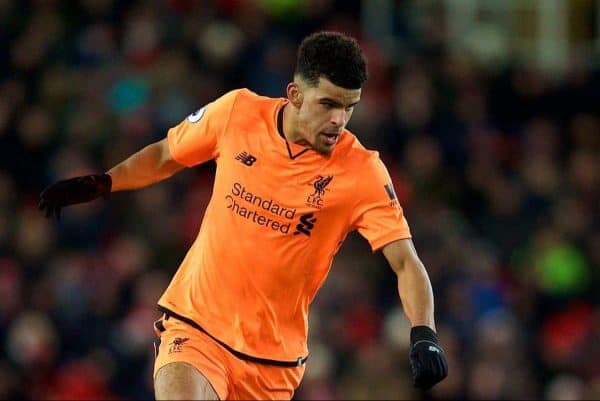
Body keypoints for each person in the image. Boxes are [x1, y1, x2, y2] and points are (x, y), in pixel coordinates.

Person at [38, 31, 448, 400]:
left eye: (349, 107)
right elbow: (167, 154)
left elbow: (405, 262)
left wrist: (423, 332)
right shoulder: (237, 113)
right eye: (328, 104)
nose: (338, 120)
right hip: (195, 326)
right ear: (295, 94)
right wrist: (107, 182)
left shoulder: (361, 172)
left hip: (272, 364)